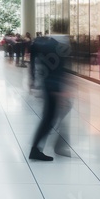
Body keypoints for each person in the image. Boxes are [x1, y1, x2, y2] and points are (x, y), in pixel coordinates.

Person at [30, 19, 73, 161]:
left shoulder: (46, 43)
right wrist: (59, 90)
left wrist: (33, 81)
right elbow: (58, 70)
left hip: (46, 84)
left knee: (49, 117)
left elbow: (39, 64)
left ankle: (40, 148)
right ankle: (37, 149)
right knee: (49, 118)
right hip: (53, 86)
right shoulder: (61, 45)